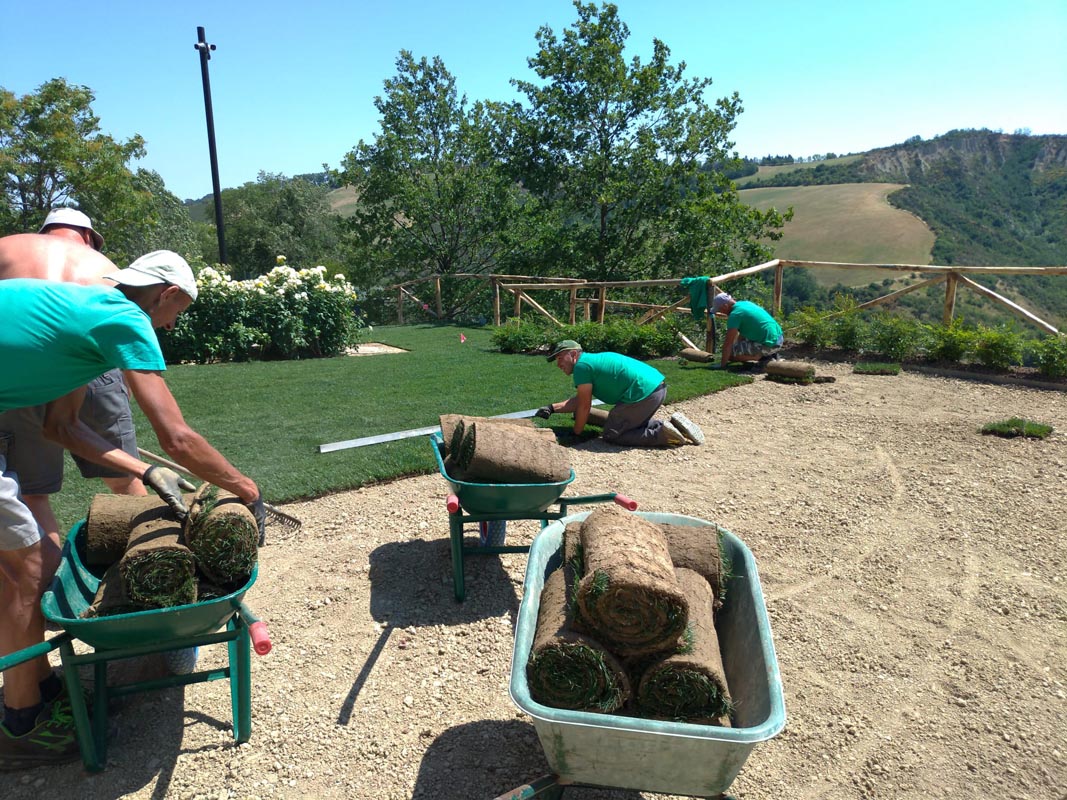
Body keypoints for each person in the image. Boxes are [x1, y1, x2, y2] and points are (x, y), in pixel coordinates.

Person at [0, 235, 265, 770]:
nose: (170, 326)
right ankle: (23, 727)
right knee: (26, 570)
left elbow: (62, 427)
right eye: (176, 313)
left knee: (19, 569)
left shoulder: (87, 312)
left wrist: (145, 470)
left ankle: (36, 689)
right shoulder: (126, 318)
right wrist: (247, 488)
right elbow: (177, 438)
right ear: (164, 294)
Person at [0, 210, 150, 556]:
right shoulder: (102, 264)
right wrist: (123, 383)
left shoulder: (10, 246)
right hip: (91, 368)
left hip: (19, 371)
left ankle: (48, 582)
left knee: (33, 493)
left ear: (44, 232)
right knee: (125, 477)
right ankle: (152, 558)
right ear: (88, 237)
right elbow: (122, 333)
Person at [536, 340, 704, 448]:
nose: (558, 364)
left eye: (560, 358)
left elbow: (584, 406)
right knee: (624, 421)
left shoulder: (582, 367)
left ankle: (662, 435)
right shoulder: (591, 361)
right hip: (656, 388)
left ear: (573, 354)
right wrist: (552, 408)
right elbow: (581, 400)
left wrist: (576, 433)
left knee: (612, 434)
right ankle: (673, 426)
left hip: (642, 395)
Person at [711, 292, 784, 367]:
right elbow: (743, 333)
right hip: (779, 339)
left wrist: (722, 364)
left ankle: (761, 357)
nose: (721, 312)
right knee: (734, 349)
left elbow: (728, 343)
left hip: (769, 345)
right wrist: (738, 346)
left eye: (719, 310)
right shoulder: (745, 303)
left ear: (725, 306)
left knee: (730, 354)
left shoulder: (735, 315)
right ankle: (768, 353)